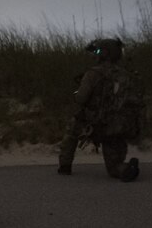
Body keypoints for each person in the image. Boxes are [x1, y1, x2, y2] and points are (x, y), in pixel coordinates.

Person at [57, 37, 141, 182]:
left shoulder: (93, 73)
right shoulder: (126, 75)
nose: (95, 54)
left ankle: (65, 166)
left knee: (72, 129)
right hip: (119, 126)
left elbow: (81, 99)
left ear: (104, 53)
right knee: (114, 165)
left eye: (97, 51)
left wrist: (77, 92)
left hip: (97, 122)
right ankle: (124, 168)